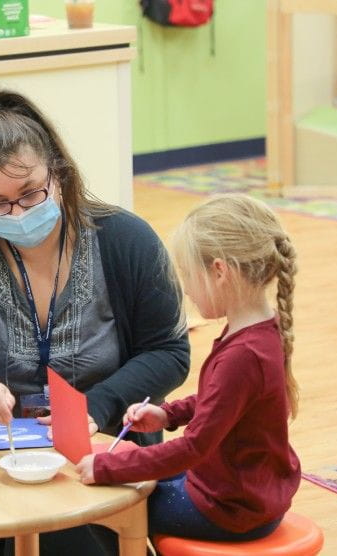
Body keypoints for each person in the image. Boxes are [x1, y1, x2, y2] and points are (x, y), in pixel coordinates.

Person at [0, 81, 189, 553]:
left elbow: (168, 351)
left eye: (31, 193)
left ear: (58, 175)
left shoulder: (126, 240)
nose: (18, 212)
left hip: (98, 449)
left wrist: (97, 406)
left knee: (73, 538)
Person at [76, 194, 301, 543]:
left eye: (187, 274)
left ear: (220, 272)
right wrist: (167, 415)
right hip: (246, 492)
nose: (187, 290)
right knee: (140, 477)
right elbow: (223, 402)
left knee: (111, 502)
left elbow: (194, 448)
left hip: (231, 509)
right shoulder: (260, 330)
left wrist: (105, 467)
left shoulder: (244, 354)